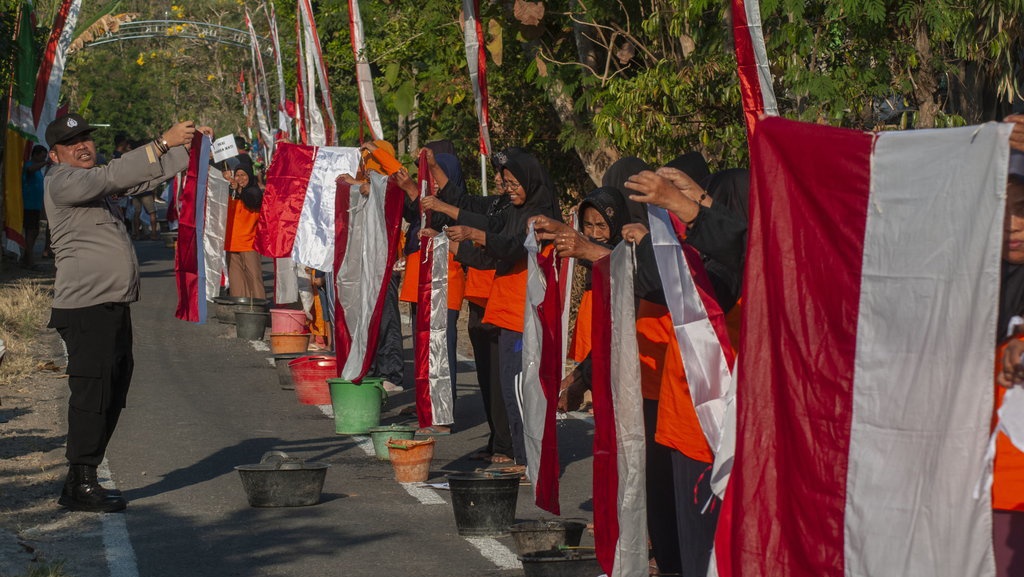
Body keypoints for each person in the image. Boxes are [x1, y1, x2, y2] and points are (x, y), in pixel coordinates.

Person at [44, 113, 196, 512]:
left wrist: (186, 146)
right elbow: (112, 177)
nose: (83, 146)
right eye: (72, 143)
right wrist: (162, 142)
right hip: (85, 308)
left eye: (87, 139)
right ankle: (81, 481)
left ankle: (82, 478)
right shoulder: (63, 182)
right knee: (92, 395)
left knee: (113, 390)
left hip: (109, 307)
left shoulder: (93, 182)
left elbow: (139, 178)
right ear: (54, 154)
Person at [444, 149, 562, 467]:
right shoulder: (512, 212)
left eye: (513, 183)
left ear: (530, 181)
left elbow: (512, 248)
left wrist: (475, 234)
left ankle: (528, 458)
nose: (509, 189)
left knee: (524, 389)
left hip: (528, 313)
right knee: (508, 386)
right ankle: (516, 450)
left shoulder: (539, 215)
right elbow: (491, 246)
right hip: (506, 309)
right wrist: (453, 243)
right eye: (505, 183)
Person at [990, 149, 1024, 577]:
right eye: (1000, 210)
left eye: (1023, 210)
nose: (1013, 225)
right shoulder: (967, 283)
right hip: (984, 489)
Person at [224, 162, 266, 299]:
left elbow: (252, 201)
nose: (240, 178)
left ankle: (258, 310)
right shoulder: (231, 193)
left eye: (243, 175)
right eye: (237, 175)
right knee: (236, 283)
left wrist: (240, 190)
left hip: (249, 245)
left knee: (254, 280)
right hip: (231, 245)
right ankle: (240, 311)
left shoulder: (254, 191)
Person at [21, 145, 49, 268]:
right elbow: (30, 170)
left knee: (35, 232)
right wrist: (45, 163)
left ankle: (27, 257)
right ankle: (29, 261)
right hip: (29, 205)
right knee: (31, 232)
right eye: (42, 156)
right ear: (36, 155)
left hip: (35, 206)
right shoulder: (29, 165)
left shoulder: (38, 170)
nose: (44, 159)